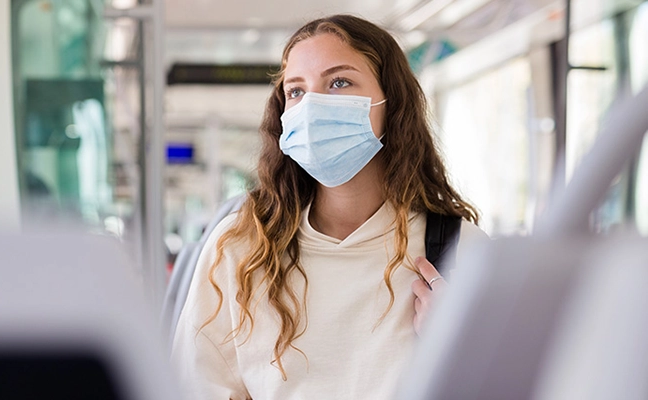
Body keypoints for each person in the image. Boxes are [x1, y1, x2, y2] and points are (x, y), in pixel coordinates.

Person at [171, 14, 487, 399]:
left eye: (339, 82)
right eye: (296, 91)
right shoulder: (240, 246)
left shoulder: (458, 250)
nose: (313, 106)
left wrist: (464, 351)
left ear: (391, 100)